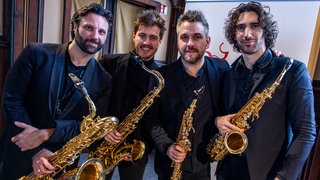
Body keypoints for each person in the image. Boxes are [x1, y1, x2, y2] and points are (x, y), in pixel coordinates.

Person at [0, 3, 113, 179]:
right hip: (21, 148)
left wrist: (48, 135)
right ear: (75, 27)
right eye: (89, 27)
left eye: (101, 32)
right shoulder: (36, 53)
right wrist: (35, 148)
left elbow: (91, 125)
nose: (95, 36)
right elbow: (12, 99)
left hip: (61, 158)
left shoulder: (104, 80)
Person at [214, 1, 316, 180]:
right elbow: (222, 113)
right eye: (240, 27)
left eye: (255, 25)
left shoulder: (292, 70)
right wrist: (218, 121)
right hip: (227, 170)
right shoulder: (229, 73)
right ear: (234, 34)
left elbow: (306, 133)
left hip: (267, 173)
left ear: (265, 30)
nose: (247, 33)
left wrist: (284, 177)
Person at [145, 10, 229, 180]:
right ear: (178, 42)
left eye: (197, 37)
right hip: (168, 166)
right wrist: (167, 146)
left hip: (202, 165)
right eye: (184, 37)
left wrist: (272, 58)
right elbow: (151, 120)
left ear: (207, 41)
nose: (190, 43)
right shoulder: (160, 77)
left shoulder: (221, 69)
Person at [98, 9, 166, 180]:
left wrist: (143, 147)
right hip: (104, 143)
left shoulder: (162, 77)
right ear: (133, 35)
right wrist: (103, 127)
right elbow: (92, 100)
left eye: (153, 37)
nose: (146, 42)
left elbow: (158, 117)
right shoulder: (108, 63)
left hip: (136, 149)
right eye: (142, 35)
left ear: (160, 41)